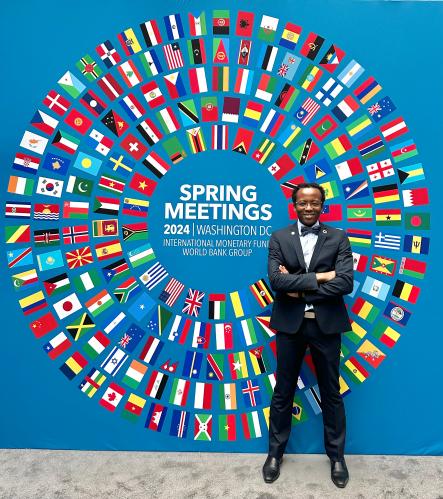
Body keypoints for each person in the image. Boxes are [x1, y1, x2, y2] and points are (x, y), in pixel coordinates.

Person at [262, 182, 354, 488]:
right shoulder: (279, 237)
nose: (309, 208)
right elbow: (276, 282)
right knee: (283, 391)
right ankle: (274, 455)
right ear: (295, 205)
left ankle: (337, 457)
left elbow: (345, 283)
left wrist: (300, 288)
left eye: (315, 203)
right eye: (303, 203)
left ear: (322, 205)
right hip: (290, 326)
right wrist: (322, 277)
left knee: (331, 392)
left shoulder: (338, 237)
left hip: (326, 326)